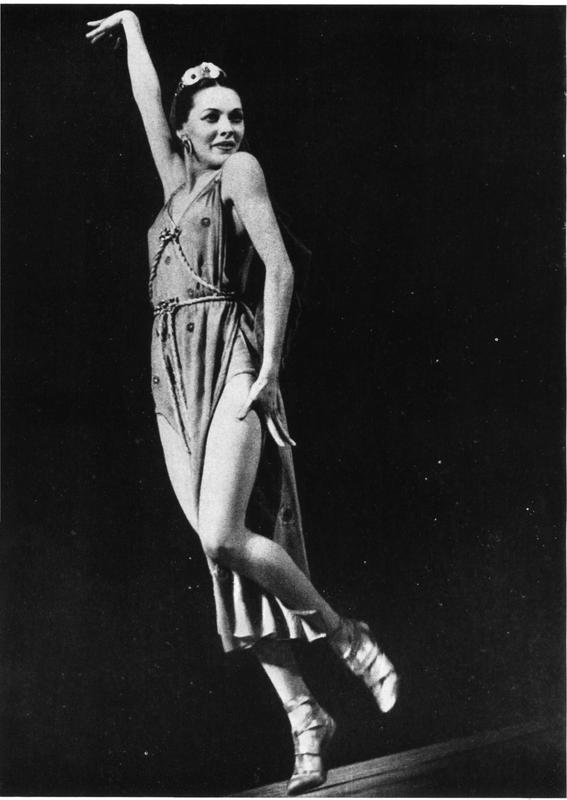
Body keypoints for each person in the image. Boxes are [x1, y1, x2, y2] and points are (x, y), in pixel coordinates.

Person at [86, 11, 399, 795]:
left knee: (225, 533)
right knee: (218, 556)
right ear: (184, 130)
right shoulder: (175, 183)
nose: (228, 127)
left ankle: (347, 640)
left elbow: (280, 269)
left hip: (229, 351)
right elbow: (146, 103)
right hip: (170, 375)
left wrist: (269, 371)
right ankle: (304, 718)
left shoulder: (239, 172)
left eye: (236, 115)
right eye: (212, 118)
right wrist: (133, 30)